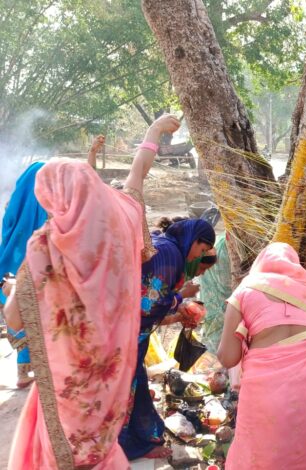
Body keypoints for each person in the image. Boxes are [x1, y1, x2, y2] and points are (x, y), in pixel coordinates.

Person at [5, 114, 178, 469]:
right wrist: (153, 132)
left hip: (67, 385)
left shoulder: (45, 247)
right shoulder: (121, 227)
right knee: (100, 451)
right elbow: (137, 177)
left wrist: (14, 289)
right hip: (111, 381)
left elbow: (16, 319)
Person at [217, 243, 306, 469]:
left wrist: (243, 337)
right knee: (302, 446)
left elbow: (228, 357)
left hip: (267, 385)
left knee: (260, 449)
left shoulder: (246, 289)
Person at [119, 218, 216, 460]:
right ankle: (125, 444)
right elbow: (148, 303)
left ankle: (142, 439)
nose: (198, 257)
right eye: (202, 250)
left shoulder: (166, 247)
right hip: (125, 333)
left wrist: (177, 309)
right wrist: (179, 299)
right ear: (193, 240)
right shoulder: (170, 254)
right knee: (125, 390)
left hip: (126, 330)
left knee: (136, 384)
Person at [0, 162, 48, 388]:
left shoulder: (14, 204)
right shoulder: (48, 205)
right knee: (36, 315)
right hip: (35, 268)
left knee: (18, 312)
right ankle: (36, 370)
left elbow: (7, 229)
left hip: (11, 267)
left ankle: (22, 371)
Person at [200, 232, 232, 352]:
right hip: (217, 302)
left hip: (218, 303)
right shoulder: (223, 248)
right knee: (217, 343)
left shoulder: (227, 243)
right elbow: (226, 285)